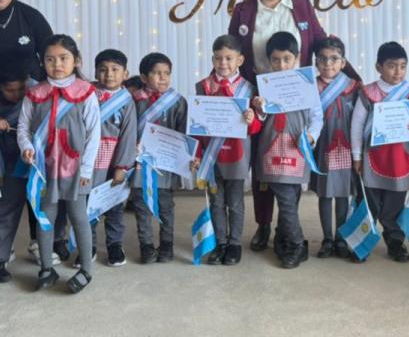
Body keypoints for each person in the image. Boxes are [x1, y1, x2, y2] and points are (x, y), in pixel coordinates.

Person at [226, 0, 332, 253]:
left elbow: (322, 42)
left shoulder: (301, 7)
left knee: (290, 160)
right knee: (263, 162)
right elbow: (232, 50)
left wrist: (351, 75)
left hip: (297, 91)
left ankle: (288, 224)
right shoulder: (244, 10)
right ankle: (263, 224)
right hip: (260, 91)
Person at [17, 35, 100, 294]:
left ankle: (86, 268)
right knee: (45, 218)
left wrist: (87, 169)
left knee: (79, 217)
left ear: (76, 61)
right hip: (45, 169)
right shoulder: (35, 93)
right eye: (50, 59)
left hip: (76, 168)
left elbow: (93, 133)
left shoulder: (85, 92)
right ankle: (46, 267)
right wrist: (27, 148)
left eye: (63, 58)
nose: (57, 64)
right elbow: (23, 127)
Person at [351, 42, 409, 262]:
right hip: (373, 155)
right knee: (369, 199)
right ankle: (363, 240)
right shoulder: (368, 92)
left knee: (396, 199)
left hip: (399, 158)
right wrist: (356, 156)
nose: (398, 71)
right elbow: (357, 125)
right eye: (392, 66)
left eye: (403, 66)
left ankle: (395, 240)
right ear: (379, 67)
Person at [251, 32, 324, 268]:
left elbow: (316, 116)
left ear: (296, 58)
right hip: (272, 148)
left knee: (291, 197)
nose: (281, 65)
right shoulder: (265, 84)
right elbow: (259, 121)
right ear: (269, 60)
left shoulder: (306, 83)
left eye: (286, 59)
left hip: (297, 146)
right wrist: (260, 109)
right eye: (275, 60)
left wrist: (311, 135)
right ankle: (295, 244)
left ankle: (285, 239)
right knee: (285, 198)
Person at [0, 54, 58, 282]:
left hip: (43, 161)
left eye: (20, 88)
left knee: (47, 208)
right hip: (14, 162)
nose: (16, 95)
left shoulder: (41, 92)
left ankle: (48, 253)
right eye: (9, 90)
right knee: (8, 209)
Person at [191, 35, 260, 265]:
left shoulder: (249, 88)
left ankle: (234, 244)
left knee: (236, 202)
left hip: (238, 155)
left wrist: (252, 119)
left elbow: (256, 126)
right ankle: (220, 242)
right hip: (212, 155)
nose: (223, 63)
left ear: (240, 59)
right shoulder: (202, 86)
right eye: (219, 58)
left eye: (229, 58)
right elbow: (196, 125)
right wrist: (197, 154)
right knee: (216, 201)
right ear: (212, 58)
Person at [126, 53, 189, 263]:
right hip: (140, 163)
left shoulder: (178, 101)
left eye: (167, 73)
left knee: (166, 206)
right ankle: (146, 246)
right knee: (142, 207)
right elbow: (128, 129)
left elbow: (183, 133)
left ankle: (167, 246)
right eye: (156, 73)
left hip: (166, 164)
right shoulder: (133, 101)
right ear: (144, 77)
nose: (163, 78)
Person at [84, 49, 137, 267]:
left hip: (114, 159)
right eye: (103, 70)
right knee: (88, 204)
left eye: (115, 70)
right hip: (90, 159)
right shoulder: (87, 95)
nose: (109, 75)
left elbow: (128, 134)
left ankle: (115, 245)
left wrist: (122, 166)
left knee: (113, 205)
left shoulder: (127, 101)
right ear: (96, 72)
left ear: (125, 73)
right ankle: (89, 246)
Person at [310, 36, 359, 259]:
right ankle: (327, 238)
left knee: (343, 194)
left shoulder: (354, 87)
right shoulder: (309, 86)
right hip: (322, 147)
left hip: (345, 147)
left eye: (334, 59)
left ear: (343, 62)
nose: (328, 64)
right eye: (322, 59)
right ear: (315, 61)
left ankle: (341, 237)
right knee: (324, 193)